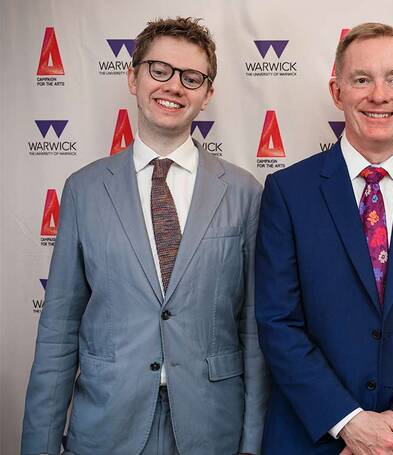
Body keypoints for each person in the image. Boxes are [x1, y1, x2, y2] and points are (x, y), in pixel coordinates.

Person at [21, 17, 268, 455]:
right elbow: (58, 330)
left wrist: (252, 444)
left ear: (208, 93)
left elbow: (252, 331)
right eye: (160, 70)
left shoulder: (245, 192)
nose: (174, 86)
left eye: (191, 77)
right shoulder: (84, 189)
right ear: (133, 77)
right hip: (106, 426)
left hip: (212, 428)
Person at [255, 22, 393, 454]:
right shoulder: (287, 192)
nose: (379, 95)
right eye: (362, 79)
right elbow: (278, 322)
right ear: (337, 90)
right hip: (315, 436)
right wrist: (349, 423)